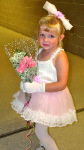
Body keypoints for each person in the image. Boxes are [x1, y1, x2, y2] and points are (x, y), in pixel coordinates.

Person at [20, 1, 77, 150]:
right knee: (39, 123)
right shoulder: (39, 52)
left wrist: (36, 86)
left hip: (51, 97)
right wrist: (27, 81)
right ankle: (44, 147)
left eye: (51, 36)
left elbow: (61, 84)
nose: (45, 40)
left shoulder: (60, 56)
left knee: (40, 130)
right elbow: (36, 71)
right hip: (38, 94)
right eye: (42, 35)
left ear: (61, 37)